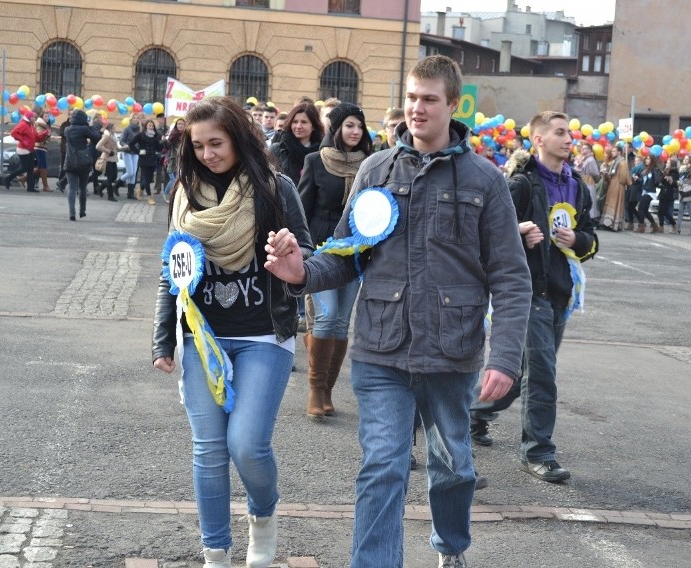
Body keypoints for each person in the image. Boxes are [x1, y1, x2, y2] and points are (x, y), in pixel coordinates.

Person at [264, 54, 532, 568]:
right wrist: (302, 272)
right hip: (380, 349)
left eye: (429, 99)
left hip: (451, 354)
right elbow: (344, 254)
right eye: (411, 98)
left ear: (453, 105)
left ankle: (450, 546)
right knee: (383, 465)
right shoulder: (375, 170)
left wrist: (505, 358)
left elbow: (511, 277)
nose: (417, 108)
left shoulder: (485, 180)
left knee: (453, 465)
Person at [152, 97, 313, 568]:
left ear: (239, 139)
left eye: (216, 143)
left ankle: (263, 515)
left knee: (246, 443)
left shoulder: (276, 189)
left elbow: (307, 249)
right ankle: (215, 553)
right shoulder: (183, 193)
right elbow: (172, 268)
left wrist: (291, 249)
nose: (207, 154)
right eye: (198, 145)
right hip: (203, 337)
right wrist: (163, 337)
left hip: (265, 334)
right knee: (209, 448)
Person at [505, 111, 597, 484]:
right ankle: (538, 452)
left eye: (569, 132)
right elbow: (491, 233)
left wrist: (580, 240)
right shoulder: (522, 185)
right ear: (538, 140)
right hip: (529, 292)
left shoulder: (577, 185)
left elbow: (590, 238)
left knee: (519, 376)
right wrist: (518, 230)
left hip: (561, 292)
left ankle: (476, 415)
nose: (568, 138)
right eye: (559, 132)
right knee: (542, 374)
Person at [297, 102, 373, 420]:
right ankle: (314, 391)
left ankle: (327, 390)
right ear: (337, 129)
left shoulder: (372, 165)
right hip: (321, 251)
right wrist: (302, 250)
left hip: (355, 254)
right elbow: (301, 208)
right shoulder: (315, 161)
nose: (355, 131)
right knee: (326, 318)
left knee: (342, 322)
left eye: (359, 126)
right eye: (349, 125)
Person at [269, 102, 323, 185]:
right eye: (295, 122)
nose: (298, 126)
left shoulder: (322, 153)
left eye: (304, 122)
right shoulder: (277, 149)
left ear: (313, 126)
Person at [63, 109, 101, 221]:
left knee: (72, 188)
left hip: (69, 162)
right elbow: (96, 137)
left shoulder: (67, 129)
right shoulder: (84, 129)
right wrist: (89, 126)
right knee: (82, 188)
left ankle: (71, 213)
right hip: (83, 162)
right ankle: (82, 211)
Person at [4, 111, 44, 192]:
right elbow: (13, 133)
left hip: (30, 149)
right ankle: (8, 178)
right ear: (29, 118)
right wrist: (23, 140)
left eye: (35, 117)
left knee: (30, 169)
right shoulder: (24, 124)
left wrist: (45, 135)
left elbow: (36, 138)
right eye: (33, 117)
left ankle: (30, 187)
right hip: (23, 149)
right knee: (24, 168)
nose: (34, 118)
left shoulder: (31, 126)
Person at [598, 144, 631, 231]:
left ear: (619, 152)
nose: (612, 153)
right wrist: (605, 175)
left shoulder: (622, 162)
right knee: (609, 203)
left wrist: (615, 180)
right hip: (612, 184)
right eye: (612, 151)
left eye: (614, 151)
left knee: (615, 203)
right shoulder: (613, 162)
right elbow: (610, 174)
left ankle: (614, 225)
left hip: (618, 186)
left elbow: (624, 178)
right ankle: (607, 223)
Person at [129, 119, 162, 204]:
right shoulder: (141, 135)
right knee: (147, 179)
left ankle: (139, 189)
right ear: (146, 126)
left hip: (152, 159)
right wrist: (138, 152)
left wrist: (163, 142)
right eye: (149, 125)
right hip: (144, 159)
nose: (151, 127)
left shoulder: (156, 135)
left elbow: (158, 148)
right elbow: (131, 144)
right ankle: (149, 197)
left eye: (152, 126)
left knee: (149, 179)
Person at [115, 113, 141, 198]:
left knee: (133, 174)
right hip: (127, 152)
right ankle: (116, 185)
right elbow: (121, 141)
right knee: (130, 172)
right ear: (131, 120)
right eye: (134, 118)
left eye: (137, 118)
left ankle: (130, 194)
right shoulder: (127, 129)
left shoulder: (139, 130)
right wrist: (126, 145)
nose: (136, 119)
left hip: (136, 153)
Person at [162, 117, 185, 203]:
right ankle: (166, 193)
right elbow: (167, 147)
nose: (180, 125)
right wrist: (164, 141)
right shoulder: (173, 135)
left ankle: (175, 196)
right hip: (172, 160)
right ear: (176, 125)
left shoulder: (187, 136)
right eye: (178, 124)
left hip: (182, 160)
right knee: (173, 179)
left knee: (179, 179)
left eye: (182, 124)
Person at [95, 123, 119, 202]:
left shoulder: (113, 137)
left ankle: (100, 188)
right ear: (110, 129)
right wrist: (107, 151)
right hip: (107, 158)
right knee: (110, 177)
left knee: (114, 177)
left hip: (113, 159)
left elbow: (116, 147)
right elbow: (98, 146)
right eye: (114, 128)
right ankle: (110, 196)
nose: (115, 130)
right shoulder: (107, 136)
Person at [676, 154, 691, 234]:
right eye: (684, 159)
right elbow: (680, 179)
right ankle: (677, 227)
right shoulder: (682, 169)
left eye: (687, 159)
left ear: (690, 161)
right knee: (681, 210)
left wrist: (687, 183)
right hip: (682, 191)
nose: (685, 160)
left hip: (688, 192)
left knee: (690, 210)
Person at [657, 158, 678, 232]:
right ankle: (661, 226)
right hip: (663, 192)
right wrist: (663, 175)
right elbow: (661, 181)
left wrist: (670, 180)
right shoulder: (665, 171)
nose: (666, 164)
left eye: (668, 163)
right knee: (659, 211)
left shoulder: (674, 173)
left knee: (665, 211)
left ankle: (674, 224)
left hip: (669, 193)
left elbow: (675, 183)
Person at [33, 116, 52, 192]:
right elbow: (38, 136)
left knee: (40, 168)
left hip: (42, 147)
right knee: (43, 167)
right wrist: (46, 134)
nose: (47, 117)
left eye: (48, 116)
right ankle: (45, 186)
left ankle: (23, 178)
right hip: (39, 147)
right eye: (46, 116)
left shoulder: (45, 125)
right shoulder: (40, 124)